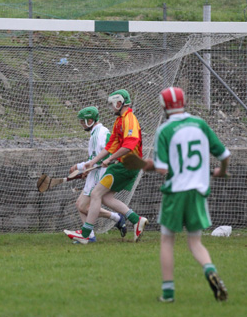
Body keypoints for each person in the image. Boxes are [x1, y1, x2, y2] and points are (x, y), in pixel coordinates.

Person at [141, 86, 229, 302]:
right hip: (198, 191)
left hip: (175, 192)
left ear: (164, 107)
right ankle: (210, 270)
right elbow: (224, 154)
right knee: (195, 242)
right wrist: (221, 172)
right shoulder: (200, 124)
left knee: (167, 241)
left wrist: (149, 165)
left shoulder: (165, 131)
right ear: (185, 102)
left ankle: (168, 294)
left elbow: (163, 169)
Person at [73, 89, 148, 244]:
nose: (111, 108)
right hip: (122, 165)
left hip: (126, 165)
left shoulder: (130, 119)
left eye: (112, 105)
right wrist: (92, 162)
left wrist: (110, 159)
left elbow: (128, 145)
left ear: (119, 103)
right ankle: (136, 219)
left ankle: (86, 234)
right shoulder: (119, 121)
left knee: (95, 194)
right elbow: (110, 146)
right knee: (105, 197)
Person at [63, 106, 127, 243]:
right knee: (80, 204)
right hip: (94, 174)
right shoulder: (95, 133)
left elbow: (102, 156)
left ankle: (92, 233)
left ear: (90, 120)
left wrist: (79, 167)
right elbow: (95, 158)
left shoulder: (100, 134)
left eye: (83, 122)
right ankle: (104, 225)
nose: (81, 124)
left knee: (82, 206)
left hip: (100, 174)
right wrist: (84, 170)